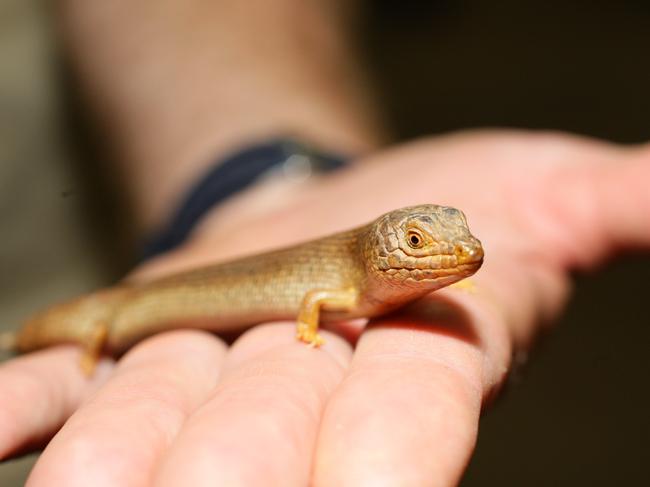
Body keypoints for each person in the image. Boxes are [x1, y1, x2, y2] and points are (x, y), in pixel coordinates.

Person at [1, 1, 649, 485]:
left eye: (443, 239)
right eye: (421, 242)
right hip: (81, 259)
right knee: (73, 325)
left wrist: (247, 179)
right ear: (386, 249)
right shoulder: (339, 287)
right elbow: (320, 300)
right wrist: (310, 327)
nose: (457, 250)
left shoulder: (377, 273)